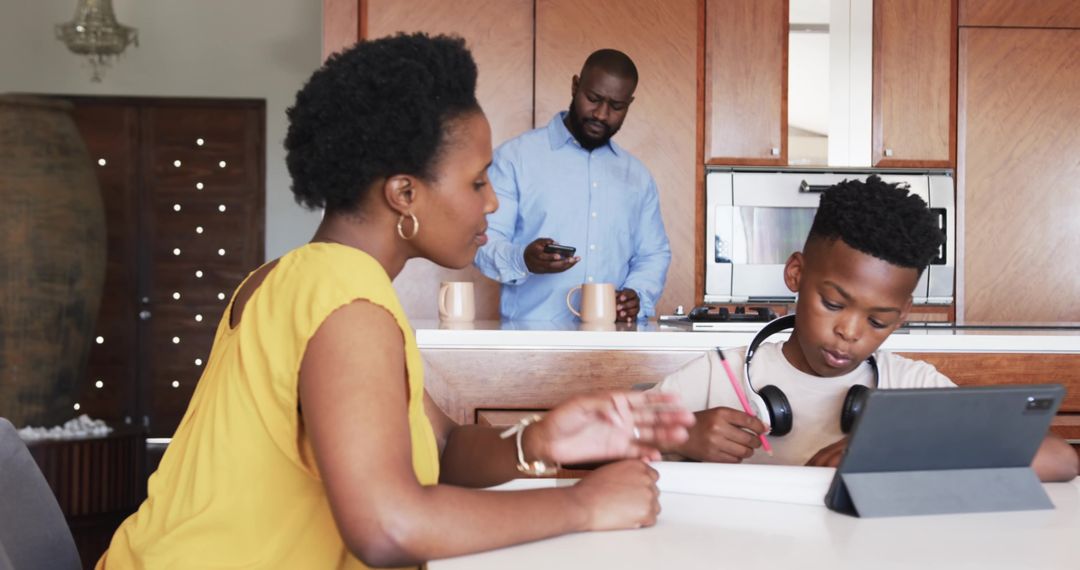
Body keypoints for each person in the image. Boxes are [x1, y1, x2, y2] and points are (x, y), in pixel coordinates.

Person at [96, 34, 695, 569]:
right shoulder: (347, 303)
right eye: (477, 181)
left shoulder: (304, 277)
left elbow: (443, 446)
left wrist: (538, 442)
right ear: (405, 194)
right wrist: (582, 504)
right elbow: (388, 528)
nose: (490, 204)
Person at [653, 177, 1078, 482]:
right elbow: (596, 441)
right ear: (796, 273)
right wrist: (679, 434)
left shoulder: (909, 386)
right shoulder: (716, 376)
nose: (850, 332)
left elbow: (1060, 459)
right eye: (834, 304)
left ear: (904, 312)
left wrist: (894, 452)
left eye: (879, 320)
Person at [474, 48, 671, 322]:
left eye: (616, 106)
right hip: (529, 348)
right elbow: (483, 240)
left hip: (614, 346)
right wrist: (523, 260)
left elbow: (653, 253)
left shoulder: (637, 177)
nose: (601, 115)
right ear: (575, 85)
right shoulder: (515, 159)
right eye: (593, 99)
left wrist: (637, 294)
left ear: (629, 103)